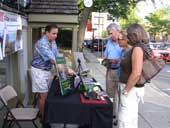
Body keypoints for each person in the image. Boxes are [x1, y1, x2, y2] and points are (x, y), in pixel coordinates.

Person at [30, 24, 74, 120]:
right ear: (46, 33)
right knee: (44, 96)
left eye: (56, 34)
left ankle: (42, 113)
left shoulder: (52, 41)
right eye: (54, 34)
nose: (56, 36)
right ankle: (44, 119)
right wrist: (66, 70)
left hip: (46, 71)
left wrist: (65, 67)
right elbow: (53, 59)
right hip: (38, 71)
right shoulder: (41, 43)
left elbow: (57, 55)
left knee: (44, 95)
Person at [118, 23, 152, 128]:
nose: (126, 37)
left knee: (125, 120)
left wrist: (126, 90)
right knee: (131, 118)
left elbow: (136, 72)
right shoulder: (142, 47)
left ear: (134, 35)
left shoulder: (137, 48)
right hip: (134, 89)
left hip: (131, 90)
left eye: (128, 34)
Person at [103, 23, 123, 120]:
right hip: (110, 70)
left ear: (117, 31)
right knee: (110, 95)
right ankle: (111, 115)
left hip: (121, 72)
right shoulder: (109, 42)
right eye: (109, 34)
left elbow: (128, 56)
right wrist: (108, 60)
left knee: (121, 96)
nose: (110, 35)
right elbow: (105, 56)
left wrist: (118, 60)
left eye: (111, 33)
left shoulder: (124, 41)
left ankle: (120, 117)